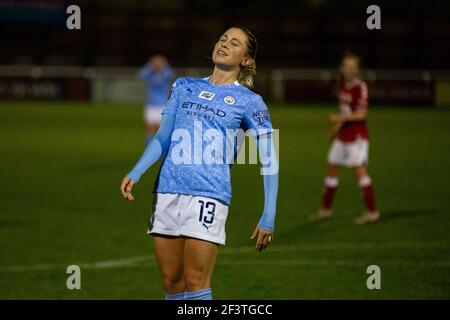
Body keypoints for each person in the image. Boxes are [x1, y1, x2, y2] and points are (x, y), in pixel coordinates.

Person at [120, 27, 279, 300]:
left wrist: (269, 214)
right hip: (167, 190)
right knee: (172, 282)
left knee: (196, 283)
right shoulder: (184, 86)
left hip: (209, 195)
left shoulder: (250, 102)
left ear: (246, 60)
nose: (225, 44)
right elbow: (163, 136)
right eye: (222, 39)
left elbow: (269, 158)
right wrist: (136, 170)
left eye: (235, 43)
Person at [311, 52, 380, 224]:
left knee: (360, 171)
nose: (350, 70)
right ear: (342, 69)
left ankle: (372, 211)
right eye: (347, 66)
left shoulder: (360, 86)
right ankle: (326, 210)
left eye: (353, 67)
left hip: (357, 136)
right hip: (343, 136)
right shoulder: (343, 87)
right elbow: (347, 113)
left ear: (357, 70)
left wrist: (337, 119)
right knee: (332, 168)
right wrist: (336, 129)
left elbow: (361, 115)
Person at [138, 54, 174, 142]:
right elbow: (140, 74)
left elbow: (171, 73)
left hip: (163, 105)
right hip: (151, 105)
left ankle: (161, 150)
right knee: (150, 129)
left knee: (161, 130)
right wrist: (150, 65)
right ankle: (149, 148)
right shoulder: (150, 74)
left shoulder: (165, 74)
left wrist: (164, 64)